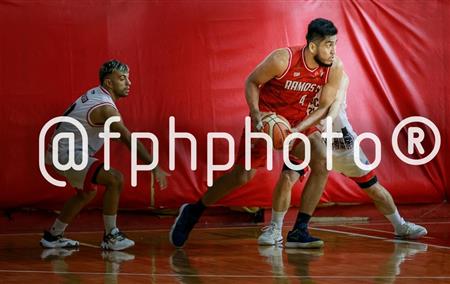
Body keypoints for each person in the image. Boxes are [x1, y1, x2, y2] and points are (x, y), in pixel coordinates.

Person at [170, 18, 344, 248]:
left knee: (322, 160)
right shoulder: (283, 59)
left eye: (335, 44)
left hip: (299, 123)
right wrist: (255, 113)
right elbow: (252, 82)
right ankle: (194, 210)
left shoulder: (334, 68)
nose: (334, 50)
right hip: (267, 119)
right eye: (329, 45)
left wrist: (297, 129)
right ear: (313, 47)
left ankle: (299, 230)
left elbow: (323, 108)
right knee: (243, 175)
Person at [257, 72, 427, 246]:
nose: (330, 52)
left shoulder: (340, 75)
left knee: (373, 188)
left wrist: (325, 122)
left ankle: (401, 226)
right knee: (287, 177)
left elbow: (334, 105)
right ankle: (275, 229)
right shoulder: (303, 75)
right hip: (310, 136)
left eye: (332, 46)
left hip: (340, 142)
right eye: (327, 46)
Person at [40, 59, 169, 250]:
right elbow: (127, 137)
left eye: (128, 78)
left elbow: (94, 125)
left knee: (86, 193)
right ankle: (111, 236)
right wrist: (153, 165)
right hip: (67, 154)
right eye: (122, 78)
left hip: (62, 151)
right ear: (109, 82)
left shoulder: (98, 95)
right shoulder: (105, 107)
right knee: (115, 179)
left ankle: (53, 236)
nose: (129, 83)